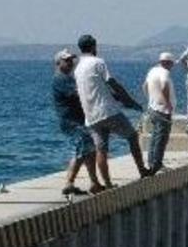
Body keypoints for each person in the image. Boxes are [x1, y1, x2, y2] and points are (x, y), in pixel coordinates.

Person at [74, 34, 149, 186]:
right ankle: (142, 171)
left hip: (91, 117)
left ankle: (107, 184)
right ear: (94, 46)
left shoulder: (78, 68)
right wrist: (129, 100)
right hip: (107, 112)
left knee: (101, 149)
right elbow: (111, 82)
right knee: (132, 137)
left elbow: (97, 89)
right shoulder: (97, 62)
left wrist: (118, 98)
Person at [50, 49, 102, 196]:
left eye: (71, 60)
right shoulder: (61, 79)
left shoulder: (68, 78)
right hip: (71, 122)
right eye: (66, 60)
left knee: (89, 150)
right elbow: (78, 94)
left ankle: (94, 182)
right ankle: (69, 183)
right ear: (58, 62)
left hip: (78, 120)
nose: (70, 62)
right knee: (81, 151)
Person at [143, 51, 176, 174]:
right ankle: (157, 165)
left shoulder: (152, 71)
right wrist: (168, 104)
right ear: (169, 63)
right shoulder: (165, 73)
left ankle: (151, 162)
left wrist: (150, 100)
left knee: (154, 137)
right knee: (161, 139)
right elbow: (164, 86)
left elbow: (144, 86)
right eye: (172, 63)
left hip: (153, 108)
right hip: (163, 111)